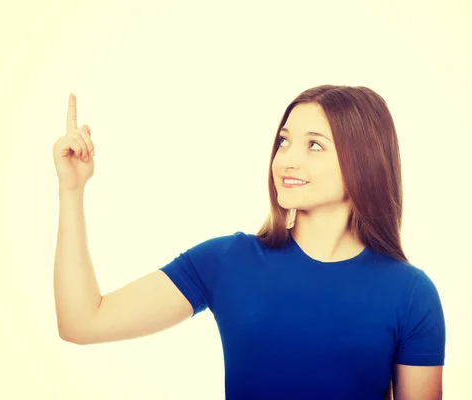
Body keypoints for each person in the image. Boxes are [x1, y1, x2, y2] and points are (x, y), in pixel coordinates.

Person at [53, 85, 446, 400]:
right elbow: (83, 322)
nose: (286, 160)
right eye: (283, 141)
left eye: (314, 145)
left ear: (364, 160)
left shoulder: (410, 293)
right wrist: (72, 191)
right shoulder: (227, 261)